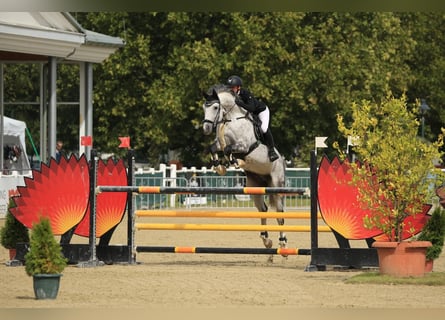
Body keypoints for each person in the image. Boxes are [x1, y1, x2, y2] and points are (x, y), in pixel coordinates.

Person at [226, 75, 279, 162]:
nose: (231, 89)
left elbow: (252, 108)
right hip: (250, 113)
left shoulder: (245, 94)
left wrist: (240, 104)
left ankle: (272, 151)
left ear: (238, 87)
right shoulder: (232, 95)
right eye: (230, 88)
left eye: (233, 87)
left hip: (261, 111)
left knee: (263, 129)